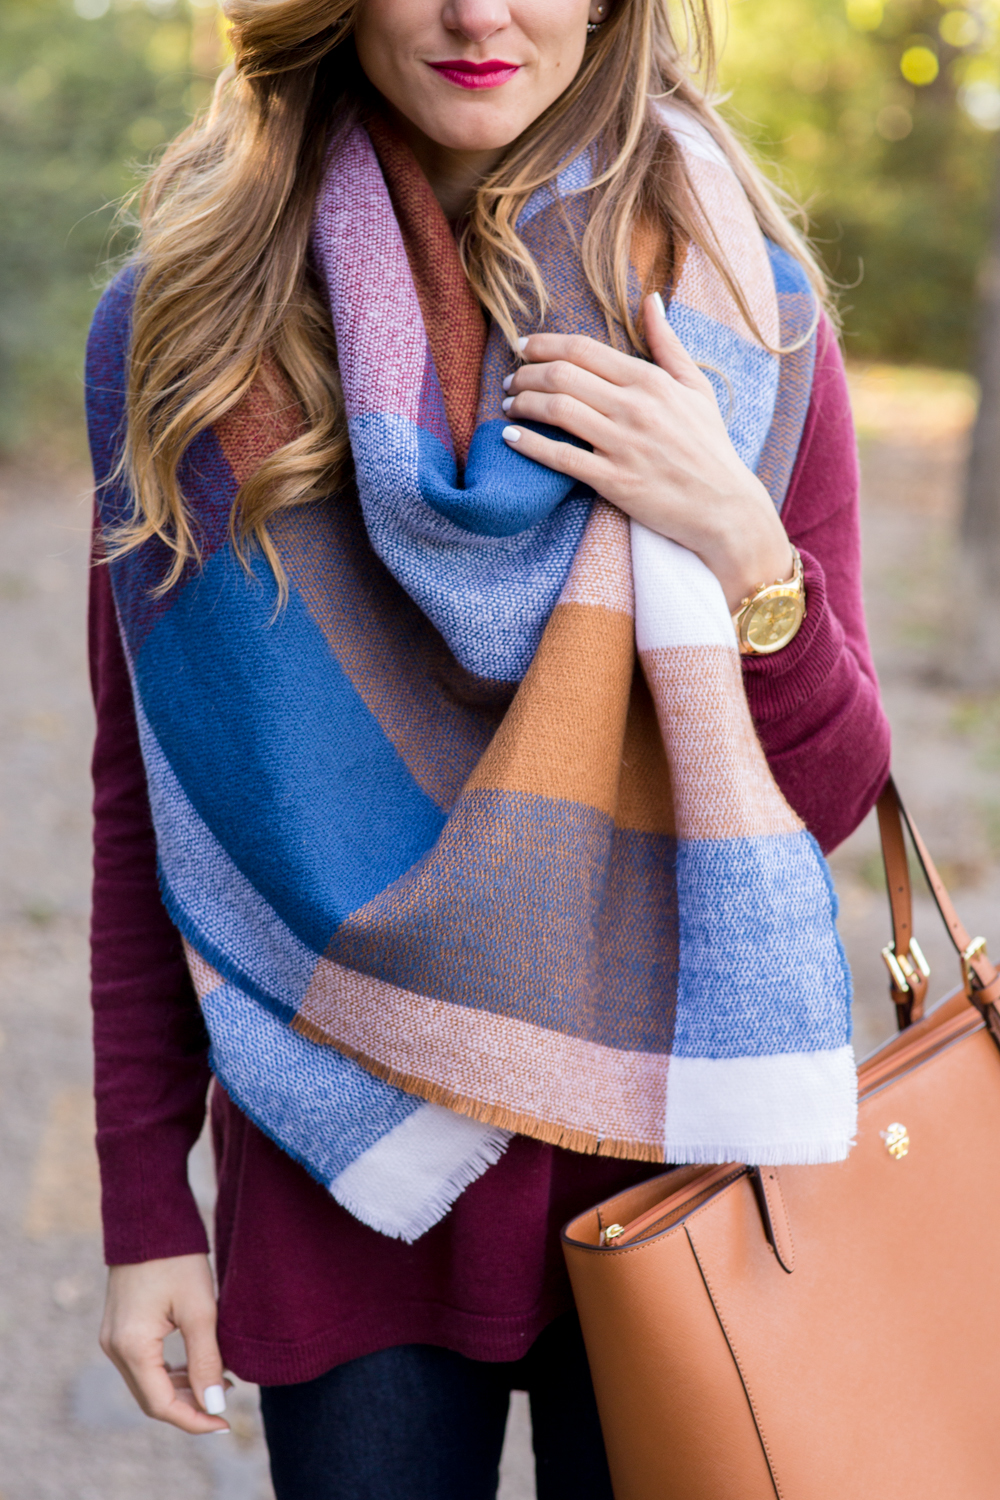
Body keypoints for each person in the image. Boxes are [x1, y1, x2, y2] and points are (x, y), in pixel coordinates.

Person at [85, 1, 891, 1497]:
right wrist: (147, 1204)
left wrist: (731, 533)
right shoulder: (192, 329)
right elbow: (155, 796)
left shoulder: (749, 320)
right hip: (346, 1160)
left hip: (672, 1153)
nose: (475, 13)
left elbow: (828, 798)